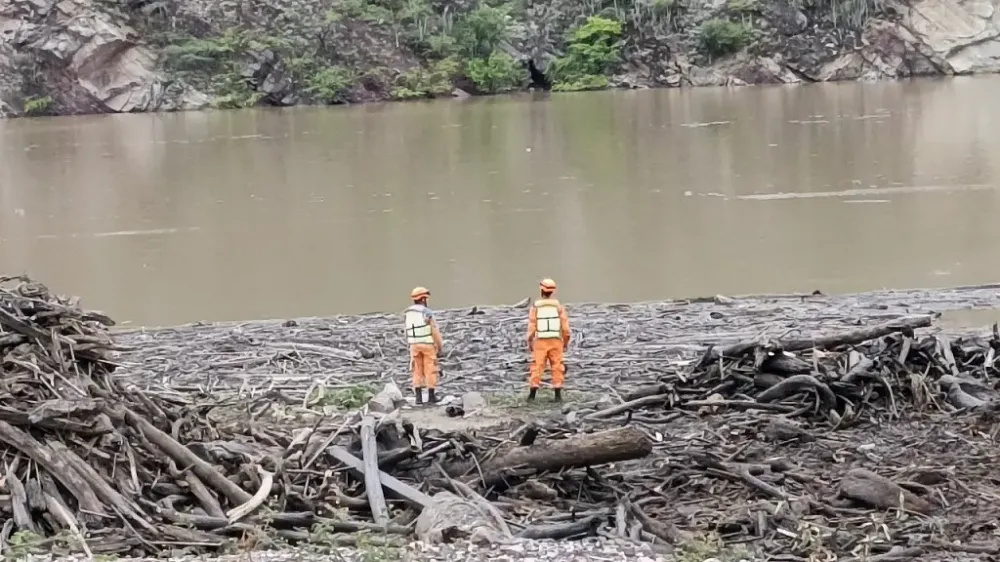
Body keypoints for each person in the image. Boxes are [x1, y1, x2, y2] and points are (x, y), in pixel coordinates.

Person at [526, 278, 570, 402]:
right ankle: (557, 395)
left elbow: (532, 326)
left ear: (541, 290)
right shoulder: (559, 307)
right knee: (557, 366)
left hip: (540, 341)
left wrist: (529, 341)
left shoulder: (535, 307)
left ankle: (532, 395)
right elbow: (565, 328)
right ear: (553, 292)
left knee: (537, 366)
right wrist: (565, 342)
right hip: (556, 341)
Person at [404, 286, 443, 405]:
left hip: (414, 345)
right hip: (427, 345)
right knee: (430, 369)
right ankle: (431, 397)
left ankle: (418, 398)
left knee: (417, 370)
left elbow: (406, 330)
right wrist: (439, 347)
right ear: (423, 299)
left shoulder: (408, 313)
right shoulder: (427, 312)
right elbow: (434, 331)